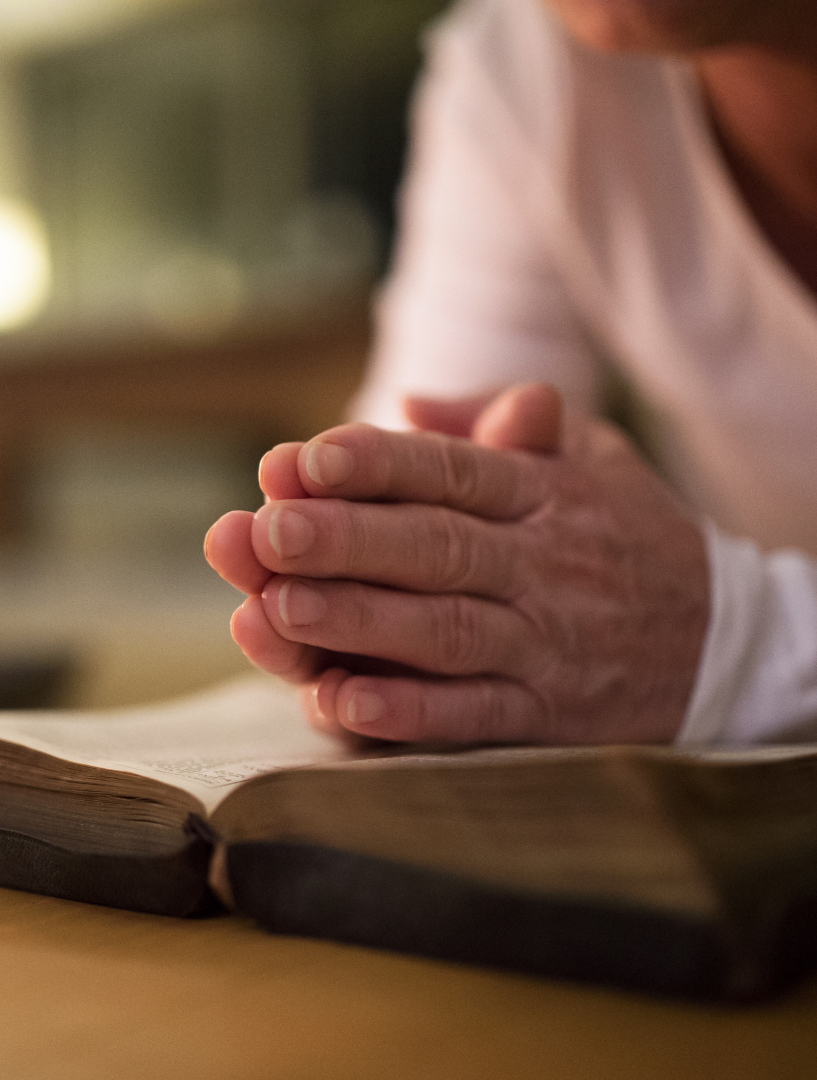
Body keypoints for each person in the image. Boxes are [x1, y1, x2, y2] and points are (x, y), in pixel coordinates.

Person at [206, 0, 817, 747]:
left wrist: (751, 644)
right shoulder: (526, 64)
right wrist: (401, 600)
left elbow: (702, 650)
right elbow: (435, 503)